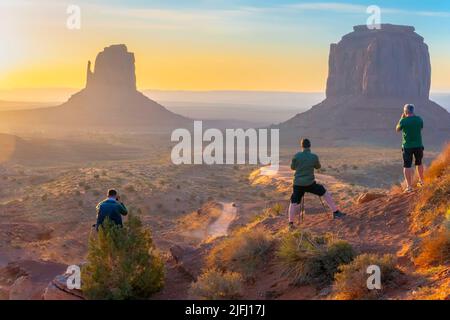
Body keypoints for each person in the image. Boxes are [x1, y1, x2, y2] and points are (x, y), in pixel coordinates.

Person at [288, 138, 345, 227]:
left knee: (293, 202)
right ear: (310, 146)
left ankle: (290, 223)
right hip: (309, 184)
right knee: (324, 192)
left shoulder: (296, 156)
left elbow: (292, 167)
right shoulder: (314, 156)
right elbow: (318, 167)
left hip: (297, 184)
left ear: (302, 146)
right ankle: (335, 212)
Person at [396, 104, 424, 193]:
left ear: (405, 111)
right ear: (413, 110)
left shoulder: (403, 121)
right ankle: (422, 182)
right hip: (418, 145)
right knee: (419, 163)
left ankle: (409, 187)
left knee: (407, 166)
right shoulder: (419, 119)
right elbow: (421, 127)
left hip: (407, 146)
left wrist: (401, 118)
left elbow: (397, 129)